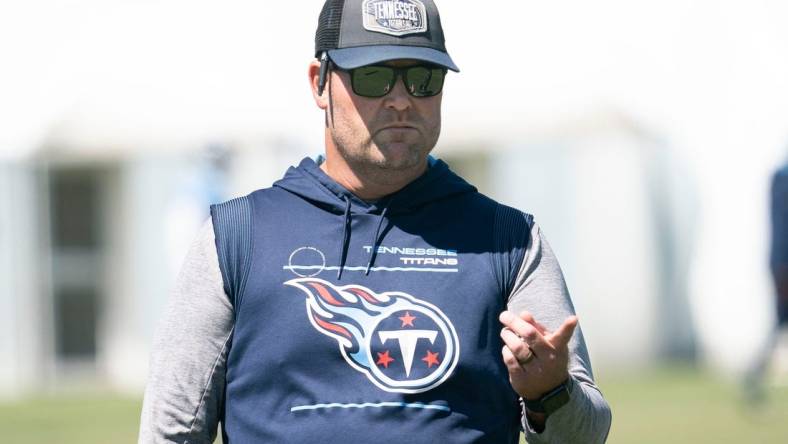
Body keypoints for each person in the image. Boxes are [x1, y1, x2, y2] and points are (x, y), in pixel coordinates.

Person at [138, 0, 611, 442]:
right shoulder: (237, 236)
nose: (402, 100)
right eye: (373, 77)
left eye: (424, 79)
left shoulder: (509, 240)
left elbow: (586, 432)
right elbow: (171, 430)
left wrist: (550, 393)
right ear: (318, 83)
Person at [744, 163, 788, 403]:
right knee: (778, 325)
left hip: (781, 265)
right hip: (784, 267)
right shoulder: (783, 177)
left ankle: (754, 376)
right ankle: (753, 376)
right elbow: (781, 227)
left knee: (778, 326)